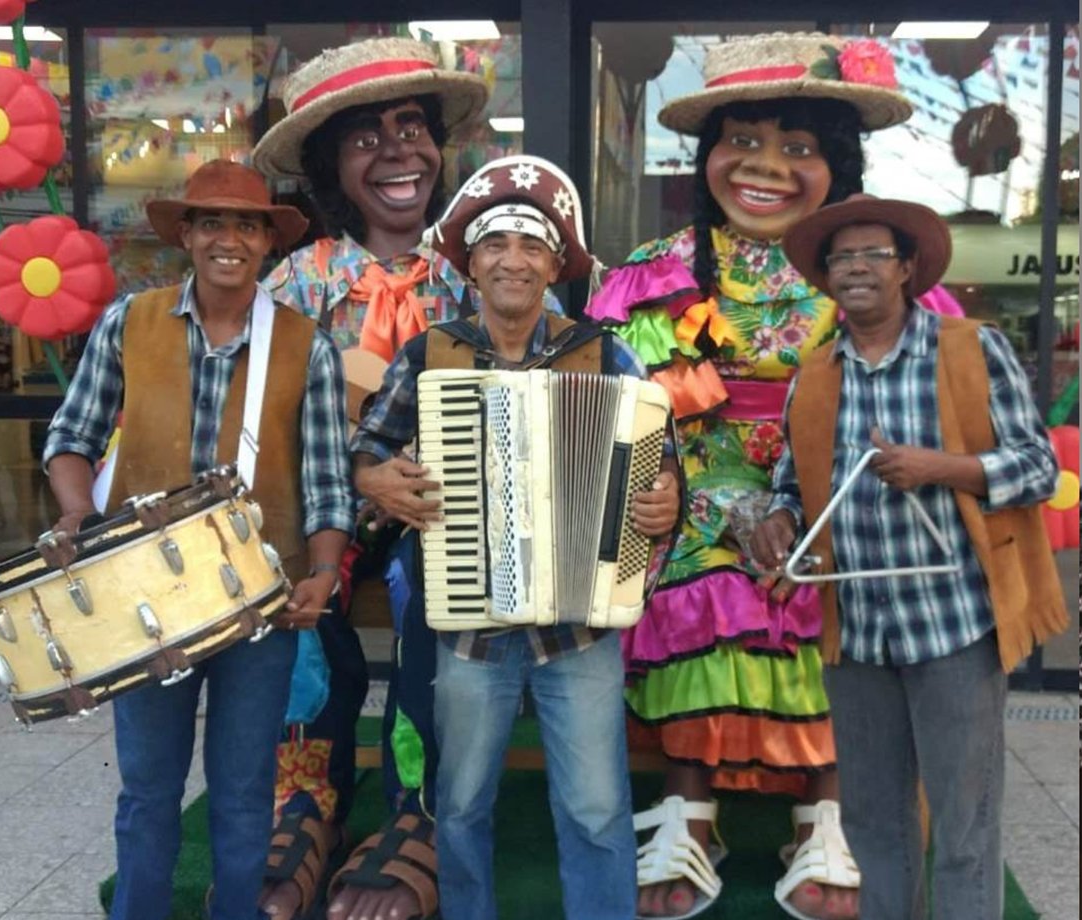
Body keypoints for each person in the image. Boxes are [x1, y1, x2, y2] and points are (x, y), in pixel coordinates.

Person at [585, 32, 916, 919]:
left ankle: (825, 819)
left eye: (799, 148)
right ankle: (689, 813)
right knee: (701, 583)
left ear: (837, 168)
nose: (766, 167)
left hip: (834, 509)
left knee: (829, 585)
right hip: (687, 506)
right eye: (745, 140)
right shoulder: (650, 279)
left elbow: (904, 412)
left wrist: (800, 513)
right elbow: (623, 416)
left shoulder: (873, 279)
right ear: (708, 155)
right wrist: (718, 508)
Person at [351, 154, 681, 920]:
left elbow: (663, 470)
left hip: (580, 627)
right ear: (471, 263)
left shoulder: (605, 354)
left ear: (555, 265)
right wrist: (374, 479)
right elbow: (365, 451)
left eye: (532, 245)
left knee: (599, 810)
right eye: (496, 244)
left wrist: (663, 504)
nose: (513, 260)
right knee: (461, 806)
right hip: (469, 628)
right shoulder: (430, 355)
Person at [253, 36, 529, 920]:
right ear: (334, 162)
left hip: (440, 514)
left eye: (412, 127)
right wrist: (357, 480)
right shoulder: (296, 281)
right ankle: (305, 804)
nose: (397, 150)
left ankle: (417, 810)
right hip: (327, 506)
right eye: (366, 136)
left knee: (427, 587)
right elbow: (267, 424)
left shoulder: (480, 272)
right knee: (300, 586)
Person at [42, 159, 356, 920]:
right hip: (141, 599)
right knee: (148, 789)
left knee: (247, 792)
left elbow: (326, 482)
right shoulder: (130, 321)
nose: (229, 239)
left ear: (265, 244)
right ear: (186, 234)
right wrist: (79, 514)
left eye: (246, 225)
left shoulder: (305, 344)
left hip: (262, 605)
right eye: (212, 221)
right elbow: (71, 436)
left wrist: (322, 569)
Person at [748, 194, 1067, 920]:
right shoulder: (816, 374)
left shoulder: (969, 349)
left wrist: (941, 469)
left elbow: (1038, 468)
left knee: (963, 827)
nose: (856, 269)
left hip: (953, 624)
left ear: (908, 269)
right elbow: (792, 490)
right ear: (826, 277)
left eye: (874, 255)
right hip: (857, 633)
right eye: (841, 258)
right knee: (876, 825)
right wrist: (775, 523)